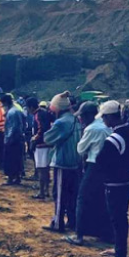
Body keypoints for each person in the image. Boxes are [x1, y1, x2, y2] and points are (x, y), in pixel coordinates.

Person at [95, 100, 129, 257]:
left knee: (117, 219)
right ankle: (118, 249)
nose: (104, 121)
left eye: (105, 118)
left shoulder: (114, 138)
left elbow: (101, 161)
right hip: (127, 181)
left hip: (115, 184)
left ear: (110, 117)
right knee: (121, 218)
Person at [64, 101, 113, 246]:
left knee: (82, 198)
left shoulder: (91, 129)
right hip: (106, 167)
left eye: (82, 116)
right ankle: (103, 232)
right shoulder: (104, 126)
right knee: (101, 200)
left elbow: (80, 149)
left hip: (93, 165)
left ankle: (79, 235)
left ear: (89, 115)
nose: (81, 119)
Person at [43, 91, 81, 233]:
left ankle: (58, 223)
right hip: (75, 163)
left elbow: (48, 138)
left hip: (62, 163)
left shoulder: (61, 122)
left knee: (59, 195)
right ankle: (72, 221)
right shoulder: (76, 119)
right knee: (72, 194)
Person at [26, 97, 53, 200]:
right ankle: (46, 191)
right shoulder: (44, 112)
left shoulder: (38, 115)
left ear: (31, 107)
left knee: (41, 169)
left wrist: (34, 139)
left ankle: (42, 192)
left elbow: (42, 129)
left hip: (41, 145)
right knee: (46, 169)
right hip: (47, 144)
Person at [1, 94, 25, 185]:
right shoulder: (17, 110)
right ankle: (17, 178)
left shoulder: (12, 112)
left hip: (12, 139)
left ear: (6, 103)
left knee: (10, 159)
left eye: (3, 104)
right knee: (17, 159)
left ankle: (10, 178)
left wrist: (8, 139)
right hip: (18, 139)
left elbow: (13, 128)